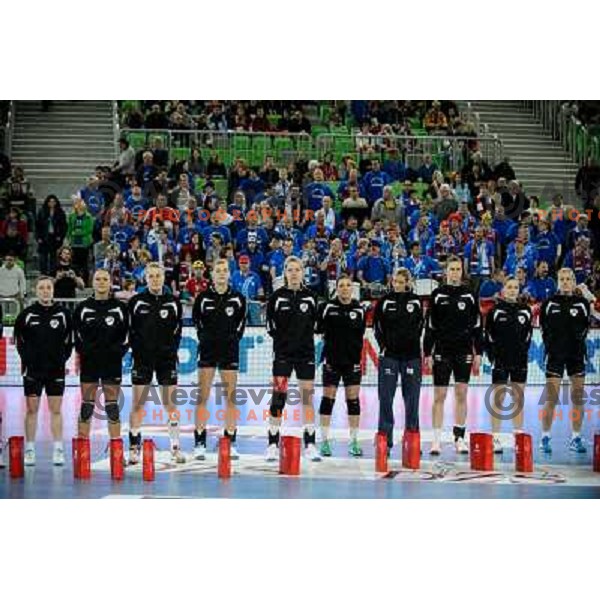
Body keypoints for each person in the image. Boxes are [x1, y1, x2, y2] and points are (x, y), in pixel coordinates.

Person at [424, 255, 483, 454]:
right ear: (446, 272)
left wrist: (478, 352)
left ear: (462, 272)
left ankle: (459, 438)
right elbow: (430, 326)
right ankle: (436, 440)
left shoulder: (469, 295)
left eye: (458, 269)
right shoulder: (438, 295)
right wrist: (427, 352)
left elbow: (477, 326)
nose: (455, 272)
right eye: (452, 269)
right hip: (441, 350)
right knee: (439, 395)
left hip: (464, 350)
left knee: (461, 394)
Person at [265, 255, 321, 461]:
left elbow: (317, 325)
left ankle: (310, 444)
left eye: (298, 269)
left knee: (307, 399)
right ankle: (272, 443)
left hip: (305, 354)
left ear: (303, 272)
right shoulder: (277, 297)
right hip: (283, 355)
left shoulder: (311, 297)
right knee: (278, 398)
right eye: (291, 270)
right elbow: (270, 326)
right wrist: (284, 342)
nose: (294, 273)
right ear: (285, 273)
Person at [128, 263, 185, 464]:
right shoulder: (135, 302)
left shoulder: (173, 302)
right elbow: (130, 330)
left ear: (163, 278)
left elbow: (178, 331)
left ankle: (175, 447)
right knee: (138, 405)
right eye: (151, 276)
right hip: (142, 360)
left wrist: (171, 351)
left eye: (158, 276)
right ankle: (134, 446)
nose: (154, 279)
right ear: (146, 278)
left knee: (171, 405)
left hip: (166, 360)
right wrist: (136, 351)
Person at [14, 277, 73, 466]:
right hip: (34, 371)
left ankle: (58, 449)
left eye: (48, 287)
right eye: (42, 288)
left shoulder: (63, 314)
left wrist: (61, 359)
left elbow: (69, 342)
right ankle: (30, 450)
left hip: (55, 370)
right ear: (36, 291)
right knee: (32, 410)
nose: (45, 291)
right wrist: (29, 360)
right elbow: (19, 341)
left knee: (55, 410)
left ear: (53, 291)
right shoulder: (26, 315)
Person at [191, 259, 247, 460]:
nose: (222, 274)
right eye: (218, 271)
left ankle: (230, 441)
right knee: (202, 397)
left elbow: (241, 325)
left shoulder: (238, 299)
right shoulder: (203, 298)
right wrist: (206, 339)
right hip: (207, 351)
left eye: (225, 270)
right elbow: (197, 322)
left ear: (229, 274)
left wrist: (230, 340)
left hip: (229, 351)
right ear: (212, 274)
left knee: (231, 398)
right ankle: (199, 442)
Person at [73, 269, 129, 441]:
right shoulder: (82, 308)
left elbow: (127, 336)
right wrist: (85, 353)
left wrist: (117, 353)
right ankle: (82, 448)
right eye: (98, 279)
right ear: (93, 282)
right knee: (87, 407)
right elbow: (76, 336)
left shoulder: (120, 308)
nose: (102, 282)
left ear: (110, 282)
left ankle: (115, 448)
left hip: (111, 363)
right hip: (90, 363)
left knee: (112, 408)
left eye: (105, 279)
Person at [539, 268, 590, 453]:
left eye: (569, 279)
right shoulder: (549, 304)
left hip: (576, 355)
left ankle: (576, 438)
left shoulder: (583, 303)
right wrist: (552, 347)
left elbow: (586, 328)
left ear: (574, 281)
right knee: (551, 398)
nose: (566, 282)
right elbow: (543, 328)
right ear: (558, 282)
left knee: (578, 399)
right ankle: (545, 436)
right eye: (562, 279)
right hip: (555, 356)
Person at [374, 268, 424, 454]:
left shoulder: (416, 301)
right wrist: (383, 347)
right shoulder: (384, 302)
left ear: (408, 282)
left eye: (402, 282)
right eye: (395, 281)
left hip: (411, 357)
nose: (398, 285)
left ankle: (412, 439)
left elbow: (421, 325)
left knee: (412, 400)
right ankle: (385, 440)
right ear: (392, 282)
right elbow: (377, 327)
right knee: (385, 399)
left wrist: (412, 343)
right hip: (390, 357)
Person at [316, 274, 367, 457]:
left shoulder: (358, 309)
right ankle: (324, 441)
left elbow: (360, 333)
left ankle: (354, 441)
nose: (345, 288)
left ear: (352, 289)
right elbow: (319, 329)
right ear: (336, 288)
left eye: (348, 285)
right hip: (332, 362)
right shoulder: (327, 307)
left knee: (353, 401)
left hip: (352, 362)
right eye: (341, 285)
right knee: (327, 400)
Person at [484, 277, 533, 453]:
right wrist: (493, 357)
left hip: (519, 360)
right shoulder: (495, 311)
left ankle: (518, 437)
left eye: (515, 287)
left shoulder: (526, 311)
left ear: (519, 290)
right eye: (509, 287)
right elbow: (488, 336)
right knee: (498, 400)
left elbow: (528, 336)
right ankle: (495, 438)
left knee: (518, 400)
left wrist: (522, 353)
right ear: (503, 290)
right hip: (501, 361)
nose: (512, 290)